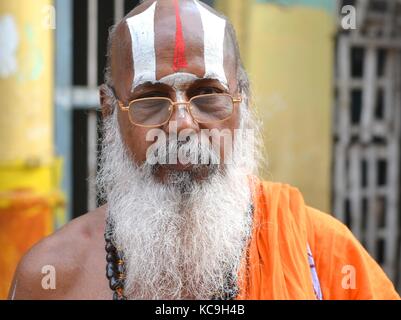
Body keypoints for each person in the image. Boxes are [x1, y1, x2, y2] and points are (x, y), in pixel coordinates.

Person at [8, 0, 400, 300]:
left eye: (207, 94)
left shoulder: (322, 255)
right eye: (151, 99)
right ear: (110, 110)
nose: (181, 126)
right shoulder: (54, 276)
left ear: (241, 102)